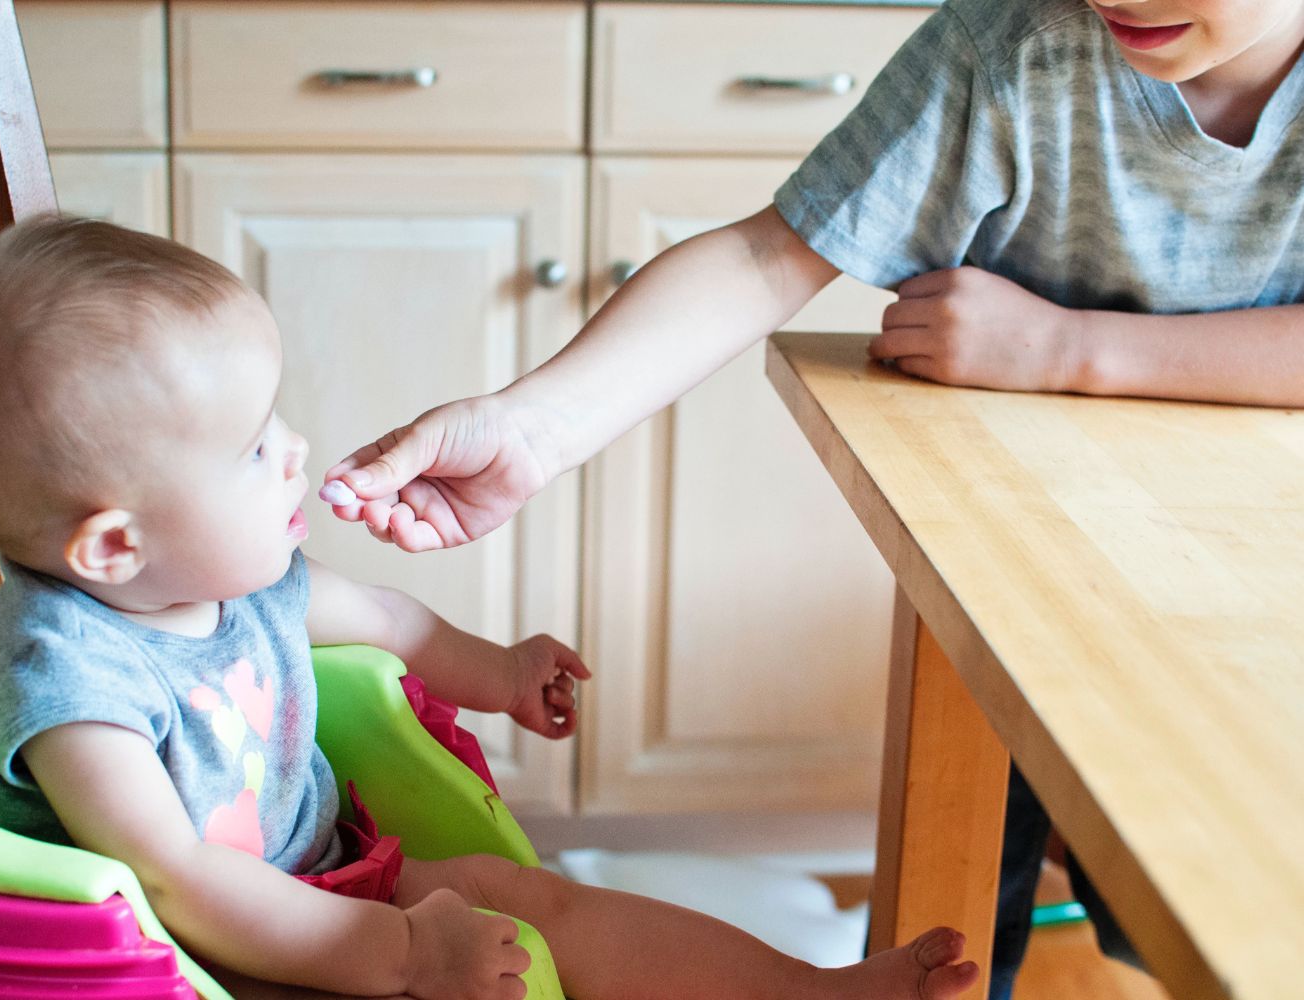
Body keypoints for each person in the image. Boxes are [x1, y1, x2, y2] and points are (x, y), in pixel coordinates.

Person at [320, 0, 1304, 995]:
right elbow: (764, 256)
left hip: (1250, 588)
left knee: (1187, 910)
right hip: (1017, 568)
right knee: (973, 906)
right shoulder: (1007, 45)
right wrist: (531, 427)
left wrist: (1069, 348)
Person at [0, 216, 979, 1000]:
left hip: (320, 878)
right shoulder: (72, 690)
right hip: (185, 958)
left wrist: (501, 672)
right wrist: (405, 954)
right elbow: (174, 884)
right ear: (113, 544)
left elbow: (387, 619)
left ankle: (806, 991)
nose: (294, 452)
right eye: (249, 450)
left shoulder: (228, 578)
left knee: (530, 897)